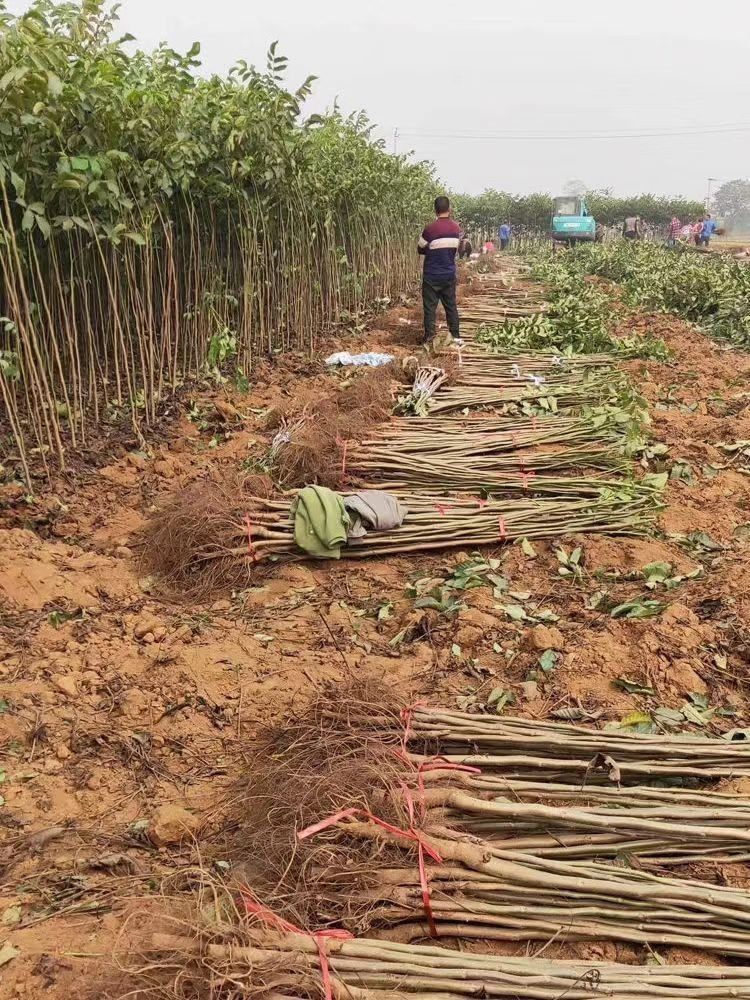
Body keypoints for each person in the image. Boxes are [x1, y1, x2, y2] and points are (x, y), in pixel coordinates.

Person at [418, 195, 462, 346]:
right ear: (449, 209)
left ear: (435, 210)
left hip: (431, 275)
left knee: (430, 308)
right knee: (451, 306)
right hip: (448, 274)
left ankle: (430, 338)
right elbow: (456, 248)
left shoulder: (429, 229)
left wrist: (432, 251)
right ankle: (455, 336)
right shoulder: (456, 228)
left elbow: (420, 248)